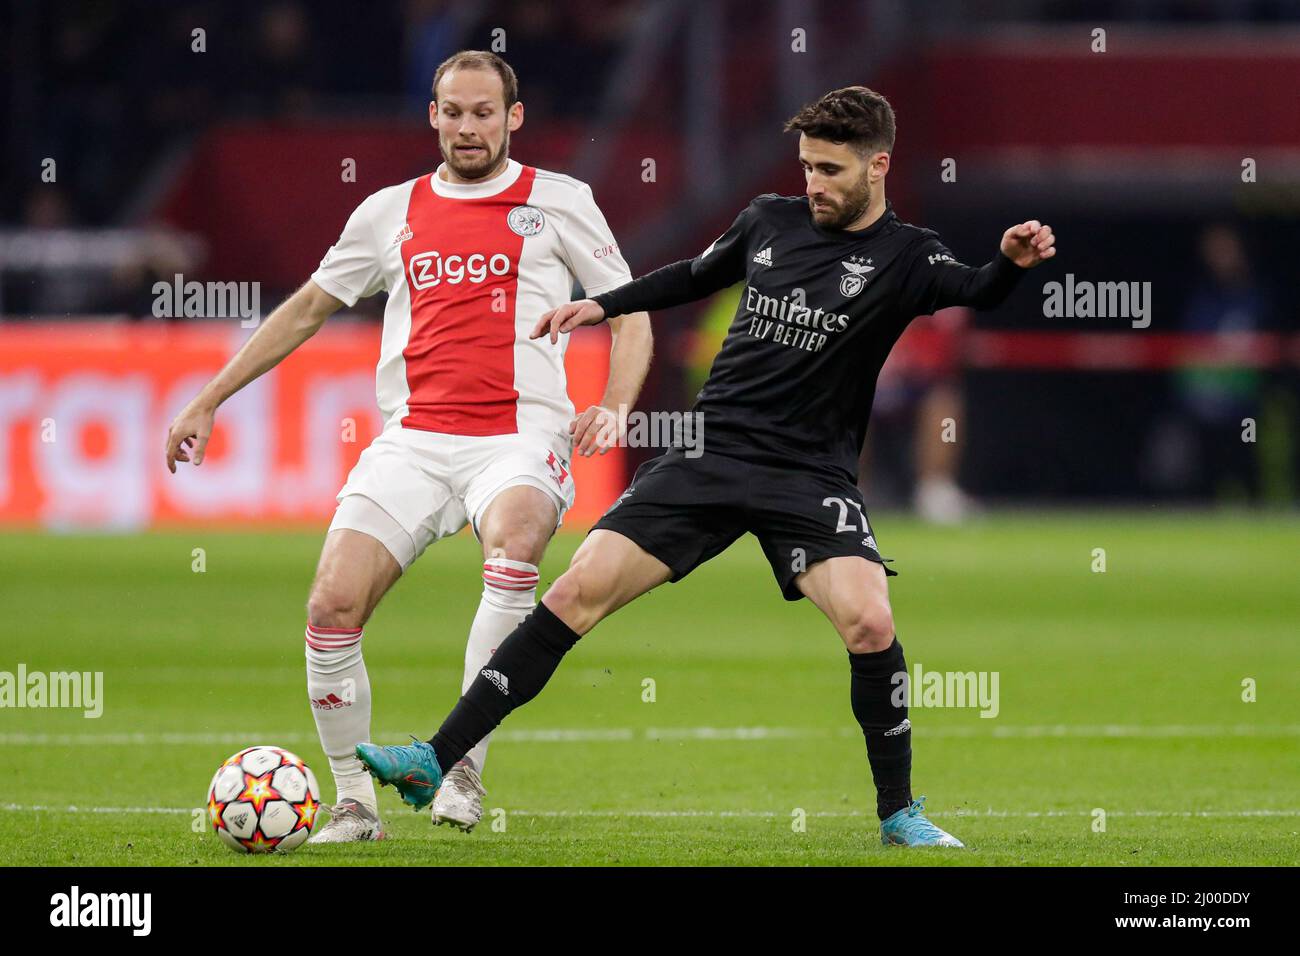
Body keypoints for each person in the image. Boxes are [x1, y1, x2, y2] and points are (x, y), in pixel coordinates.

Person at [357, 86, 1055, 848]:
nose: (812, 183)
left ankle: (899, 814)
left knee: (869, 621)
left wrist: (1011, 264)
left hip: (807, 476)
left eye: (828, 169)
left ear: (877, 166)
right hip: (708, 455)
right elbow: (693, 274)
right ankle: (435, 757)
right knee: (574, 591)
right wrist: (604, 304)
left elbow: (977, 288)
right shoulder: (769, 219)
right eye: (806, 166)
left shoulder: (909, 256)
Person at [163, 50, 651, 841]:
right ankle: (354, 803)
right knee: (330, 604)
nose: (467, 127)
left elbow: (632, 312)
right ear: (432, 114)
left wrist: (617, 406)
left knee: (518, 538)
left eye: (483, 112)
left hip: (521, 435)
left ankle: (461, 766)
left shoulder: (558, 202)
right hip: (416, 439)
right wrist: (210, 396)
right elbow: (305, 310)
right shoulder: (390, 211)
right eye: (452, 111)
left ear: (512, 118)